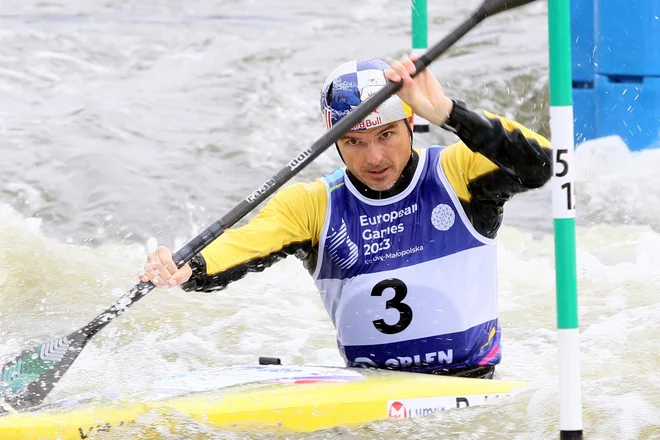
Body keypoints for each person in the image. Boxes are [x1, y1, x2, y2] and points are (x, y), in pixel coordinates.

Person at [139, 55, 552, 379]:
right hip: (368, 398)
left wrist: (448, 112)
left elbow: (540, 164)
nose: (373, 158)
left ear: (410, 123)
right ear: (334, 140)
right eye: (353, 142)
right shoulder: (312, 205)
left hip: (469, 384)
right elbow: (243, 243)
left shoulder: (458, 171)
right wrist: (187, 267)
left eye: (386, 136)